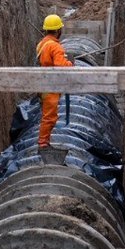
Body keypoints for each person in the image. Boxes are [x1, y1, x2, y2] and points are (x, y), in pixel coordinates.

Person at [36, 14, 73, 152]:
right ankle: (43, 144)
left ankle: (44, 142)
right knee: (49, 116)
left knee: (48, 115)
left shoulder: (42, 44)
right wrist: (70, 63)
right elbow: (61, 66)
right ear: (58, 31)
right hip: (50, 86)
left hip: (43, 84)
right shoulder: (55, 47)